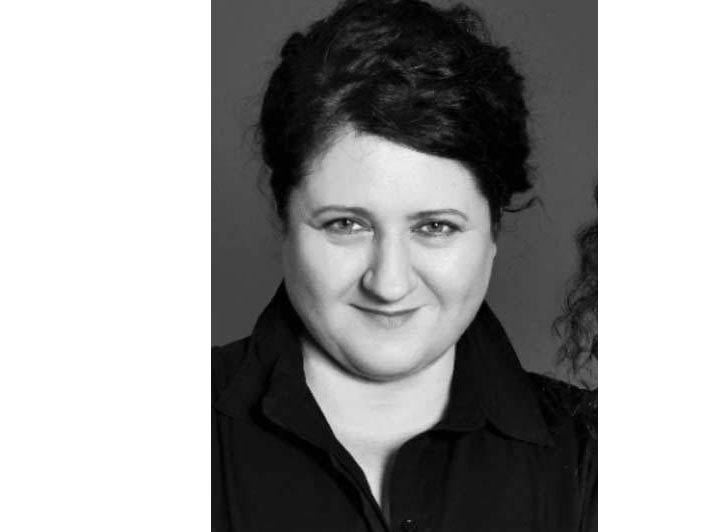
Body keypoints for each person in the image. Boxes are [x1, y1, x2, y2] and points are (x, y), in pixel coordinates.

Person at [212, 1, 596, 530]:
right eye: (346, 224)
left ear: (493, 232)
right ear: (285, 219)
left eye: (435, 227)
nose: (389, 283)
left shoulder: (593, 458)